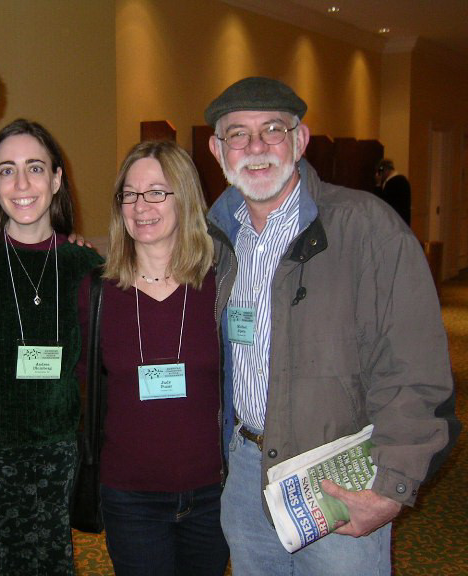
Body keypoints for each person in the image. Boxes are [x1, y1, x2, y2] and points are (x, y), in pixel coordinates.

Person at [204, 76, 458, 575]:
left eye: (273, 129)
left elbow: (415, 367)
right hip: (245, 472)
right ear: (217, 150)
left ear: (300, 141)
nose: (256, 147)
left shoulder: (367, 227)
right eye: (238, 133)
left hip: (340, 478)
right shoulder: (215, 238)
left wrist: (391, 488)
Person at [0, 119, 102, 575]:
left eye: (35, 168)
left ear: (57, 178)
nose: (22, 184)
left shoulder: (85, 266)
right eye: (6, 170)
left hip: (50, 463)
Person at [84, 140, 228, 576]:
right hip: (130, 497)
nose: (140, 206)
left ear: (184, 198)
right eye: (129, 193)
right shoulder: (95, 292)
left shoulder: (222, 286)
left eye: (156, 192)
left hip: (212, 494)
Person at [374, 158, 411, 225]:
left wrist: (378, 184)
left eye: (380, 171)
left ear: (384, 170)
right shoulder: (402, 180)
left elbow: (381, 201)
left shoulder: (392, 183)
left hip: (394, 221)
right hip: (402, 220)